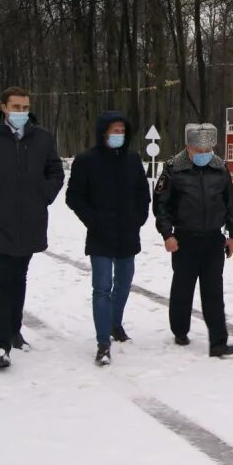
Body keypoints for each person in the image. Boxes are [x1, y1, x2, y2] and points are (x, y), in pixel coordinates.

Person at [0, 86, 65, 369]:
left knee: (18, 280)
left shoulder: (41, 138)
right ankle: (1, 344)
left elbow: (55, 171)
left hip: (29, 223)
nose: (21, 112)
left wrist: (45, 194)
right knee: (0, 283)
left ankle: (14, 330)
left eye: (24, 107)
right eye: (15, 107)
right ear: (3, 107)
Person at [65, 111, 151, 366]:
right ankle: (103, 341)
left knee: (123, 283)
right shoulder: (86, 160)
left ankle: (115, 323)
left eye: (122, 131)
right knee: (102, 288)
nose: (119, 135)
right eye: (114, 131)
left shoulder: (133, 160)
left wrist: (138, 218)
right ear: (104, 132)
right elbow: (74, 197)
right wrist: (93, 220)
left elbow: (142, 194)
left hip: (128, 233)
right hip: (100, 235)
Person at [153, 123, 233, 357]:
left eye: (207, 150)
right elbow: (161, 206)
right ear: (188, 147)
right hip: (184, 239)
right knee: (183, 288)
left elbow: (230, 204)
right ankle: (180, 329)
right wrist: (167, 234)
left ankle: (218, 341)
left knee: (214, 291)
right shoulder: (173, 170)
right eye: (198, 150)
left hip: (213, 239)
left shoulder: (220, 168)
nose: (203, 155)